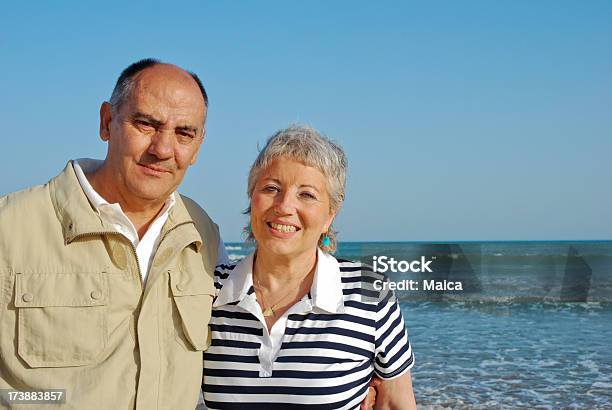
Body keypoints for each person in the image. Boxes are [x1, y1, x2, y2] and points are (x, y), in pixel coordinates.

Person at [0, 59, 227, 409]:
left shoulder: (202, 234)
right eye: (146, 124)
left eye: (184, 133)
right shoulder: (10, 228)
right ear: (107, 122)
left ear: (198, 146)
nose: (163, 149)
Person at [203, 126, 416, 409]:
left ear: (330, 215)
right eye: (271, 188)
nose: (284, 206)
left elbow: (395, 404)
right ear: (251, 198)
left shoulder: (370, 294)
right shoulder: (208, 292)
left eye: (306, 194)